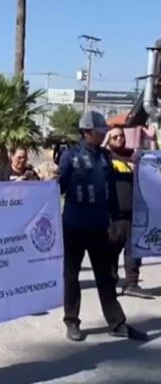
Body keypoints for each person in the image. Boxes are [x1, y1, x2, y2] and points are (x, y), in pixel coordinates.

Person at [59, 111, 147, 342]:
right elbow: (58, 188)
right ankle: (72, 322)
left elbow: (112, 191)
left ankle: (117, 323)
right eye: (98, 133)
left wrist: (117, 218)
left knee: (106, 277)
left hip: (100, 226)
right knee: (71, 276)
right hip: (74, 225)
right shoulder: (70, 156)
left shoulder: (105, 157)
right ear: (86, 132)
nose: (102, 136)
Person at [103, 127, 154, 299]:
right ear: (108, 140)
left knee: (134, 251)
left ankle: (132, 284)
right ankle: (109, 284)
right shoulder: (104, 157)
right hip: (113, 215)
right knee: (110, 252)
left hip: (134, 213)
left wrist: (152, 140)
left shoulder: (135, 156)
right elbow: (98, 156)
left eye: (121, 136)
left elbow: (155, 163)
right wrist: (105, 143)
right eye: (114, 137)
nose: (119, 139)